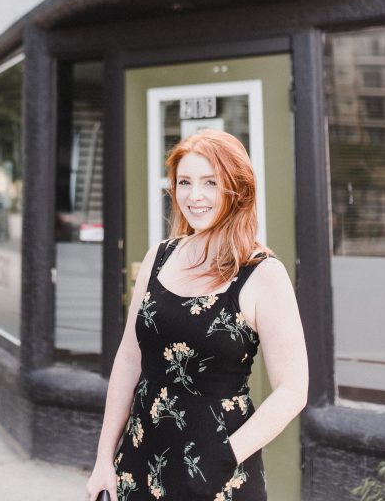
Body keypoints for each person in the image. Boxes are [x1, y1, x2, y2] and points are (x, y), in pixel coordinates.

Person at [86, 128, 309, 501]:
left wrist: (221, 460)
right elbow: (128, 359)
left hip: (218, 472)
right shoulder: (159, 257)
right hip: (139, 460)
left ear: (237, 189)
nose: (195, 195)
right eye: (184, 182)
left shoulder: (263, 273)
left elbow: (292, 390)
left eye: (210, 182)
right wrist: (103, 460)